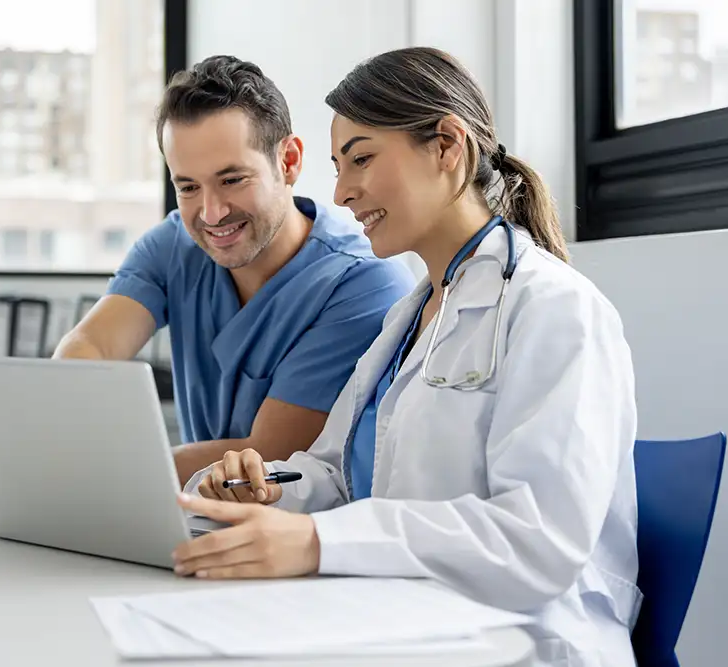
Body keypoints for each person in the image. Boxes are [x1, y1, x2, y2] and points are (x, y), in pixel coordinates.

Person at [174, 47, 640, 667]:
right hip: (403, 618)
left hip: (523, 640)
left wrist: (315, 541)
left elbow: (539, 542)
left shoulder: (555, 309)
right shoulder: (410, 315)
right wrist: (260, 493)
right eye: (339, 166)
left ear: (447, 145)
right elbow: (340, 475)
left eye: (362, 158)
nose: (341, 191)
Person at [53, 55, 415, 487]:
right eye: (187, 187)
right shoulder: (174, 246)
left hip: (299, 533)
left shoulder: (363, 283)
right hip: (191, 518)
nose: (211, 213)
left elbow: (267, 451)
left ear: (290, 161)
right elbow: (90, 346)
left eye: (232, 180)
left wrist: (102, 467)